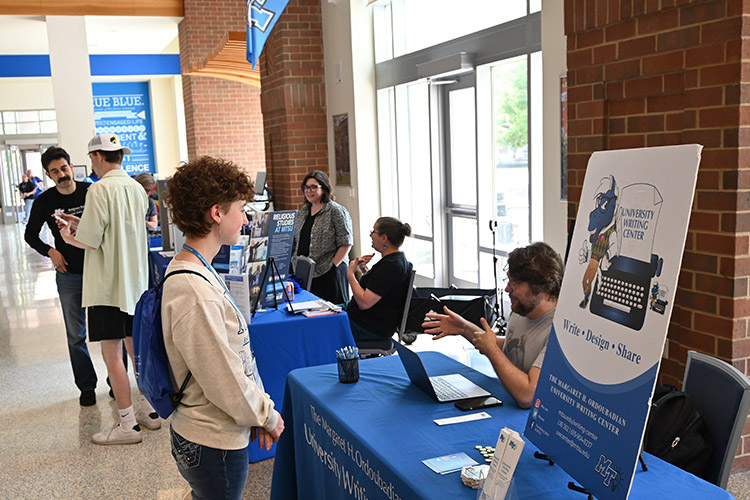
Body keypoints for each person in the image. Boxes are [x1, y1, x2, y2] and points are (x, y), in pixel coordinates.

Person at [161, 156, 284, 499]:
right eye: (241, 209)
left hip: (216, 430)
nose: (245, 219)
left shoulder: (199, 269)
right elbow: (224, 377)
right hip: (211, 441)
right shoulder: (194, 290)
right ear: (216, 213)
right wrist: (267, 416)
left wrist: (256, 413)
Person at [59, 133, 156, 445]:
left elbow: (90, 241)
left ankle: (127, 425)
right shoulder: (138, 190)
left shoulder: (100, 190)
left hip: (108, 287)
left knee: (111, 353)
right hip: (136, 284)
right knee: (136, 350)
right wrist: (80, 227)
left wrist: (67, 235)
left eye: (91, 159)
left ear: (98, 157)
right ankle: (152, 412)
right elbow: (120, 232)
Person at [423, 242, 563, 409]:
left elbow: (527, 396)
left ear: (542, 287)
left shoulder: (559, 331)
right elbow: (512, 347)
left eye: (515, 284)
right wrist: (464, 328)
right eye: (508, 280)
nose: (507, 288)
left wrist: (491, 351)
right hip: (506, 399)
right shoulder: (522, 310)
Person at [24, 146, 98, 406]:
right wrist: (50, 251)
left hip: (99, 271)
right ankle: (87, 386)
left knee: (110, 331)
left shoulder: (92, 192)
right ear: (48, 174)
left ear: (71, 166)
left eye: (64, 168)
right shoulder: (44, 202)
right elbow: (30, 234)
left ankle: (117, 382)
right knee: (76, 335)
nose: (61, 174)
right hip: (69, 276)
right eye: (55, 171)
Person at [347, 217, 413, 344]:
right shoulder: (397, 260)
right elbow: (382, 289)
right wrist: (364, 270)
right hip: (367, 321)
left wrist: (350, 274)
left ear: (384, 238)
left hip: (367, 327)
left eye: (374, 231)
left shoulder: (391, 266)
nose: (371, 235)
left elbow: (364, 303)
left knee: (321, 323)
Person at [292, 170, 353, 303]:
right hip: (308, 272)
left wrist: (333, 265)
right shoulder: (304, 210)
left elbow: (346, 242)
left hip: (329, 272)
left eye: (314, 187)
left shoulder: (335, 211)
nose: (309, 191)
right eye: (306, 187)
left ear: (324, 189)